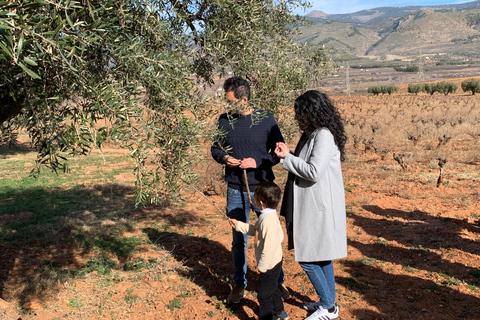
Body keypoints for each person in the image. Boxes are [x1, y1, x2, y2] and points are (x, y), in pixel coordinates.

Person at [211, 76, 290, 303]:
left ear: (244, 99)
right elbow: (215, 148)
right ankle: (239, 285)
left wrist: (257, 162)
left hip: (262, 189)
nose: (228, 106)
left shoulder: (266, 119)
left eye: (231, 100)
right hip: (235, 190)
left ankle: (277, 281)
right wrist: (225, 157)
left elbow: (279, 152)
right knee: (239, 239)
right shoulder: (224, 120)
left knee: (270, 238)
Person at [274, 90, 348, 320]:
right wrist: (289, 156)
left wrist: (288, 157)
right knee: (321, 256)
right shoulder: (313, 134)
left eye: (300, 113)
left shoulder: (323, 135)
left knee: (307, 258)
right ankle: (329, 304)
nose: (297, 118)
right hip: (312, 205)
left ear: (312, 112)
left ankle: (327, 308)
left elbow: (314, 172)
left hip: (318, 208)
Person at [228, 181, 289, 320]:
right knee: (272, 288)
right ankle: (280, 313)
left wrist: (262, 267)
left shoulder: (267, 221)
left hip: (269, 265)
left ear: (260, 202)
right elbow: (256, 231)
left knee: (263, 295)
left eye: (254, 196)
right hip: (274, 262)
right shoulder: (267, 216)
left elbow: (268, 247)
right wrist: (238, 225)